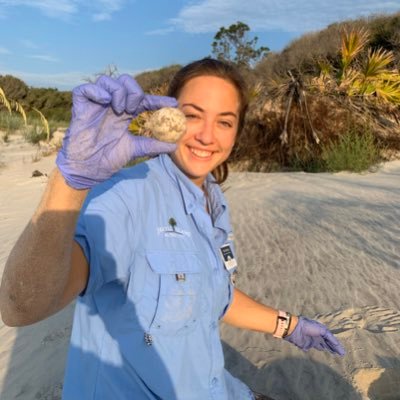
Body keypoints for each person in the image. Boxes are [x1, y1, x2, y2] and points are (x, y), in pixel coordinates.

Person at [0, 58, 345, 400]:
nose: (207, 136)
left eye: (224, 122)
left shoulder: (212, 199)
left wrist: (288, 325)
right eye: (193, 115)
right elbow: (21, 307)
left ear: (237, 131)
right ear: (170, 116)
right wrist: (70, 181)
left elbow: (213, 295)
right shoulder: (127, 197)